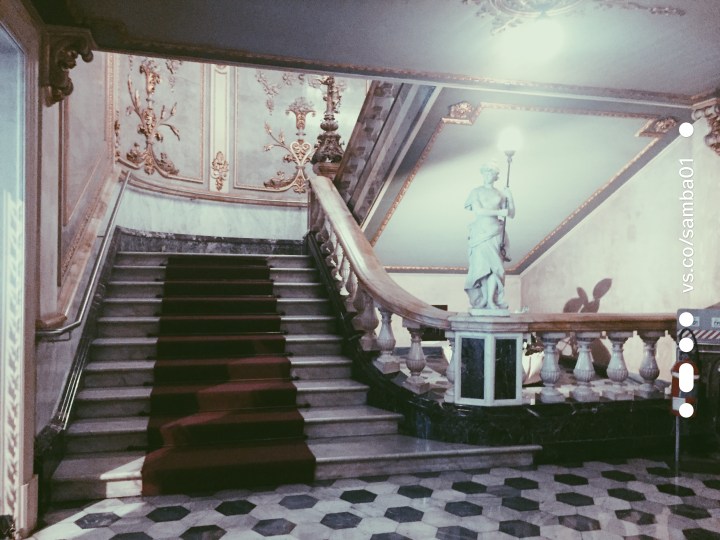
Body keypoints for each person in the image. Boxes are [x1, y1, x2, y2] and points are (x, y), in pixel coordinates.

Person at [464, 162, 515, 310]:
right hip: (480, 232)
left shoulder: (500, 193)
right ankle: (485, 299)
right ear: (482, 174)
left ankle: (492, 301)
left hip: (496, 232)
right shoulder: (476, 191)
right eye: (486, 173)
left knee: (496, 268)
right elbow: (478, 211)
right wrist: (499, 212)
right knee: (482, 267)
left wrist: (510, 198)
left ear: (495, 176)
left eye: (491, 173)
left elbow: (511, 214)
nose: (488, 176)